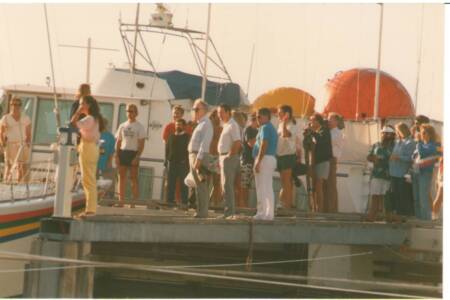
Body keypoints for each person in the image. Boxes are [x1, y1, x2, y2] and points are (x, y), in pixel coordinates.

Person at [70, 95, 102, 215]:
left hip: (88, 148)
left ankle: (90, 210)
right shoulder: (94, 118)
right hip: (91, 147)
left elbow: (73, 123)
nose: (80, 106)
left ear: (88, 105)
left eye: (82, 103)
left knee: (88, 180)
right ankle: (91, 208)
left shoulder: (89, 119)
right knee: (88, 179)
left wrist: (78, 112)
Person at [115, 104, 146, 207]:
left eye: (132, 111)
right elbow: (118, 142)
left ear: (136, 113)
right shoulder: (122, 125)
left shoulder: (139, 127)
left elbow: (141, 144)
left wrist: (137, 157)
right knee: (121, 178)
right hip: (123, 152)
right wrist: (117, 155)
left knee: (133, 179)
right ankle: (121, 202)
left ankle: (133, 203)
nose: (129, 113)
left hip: (133, 153)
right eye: (128, 111)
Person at [188, 99, 213, 218]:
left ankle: (203, 212)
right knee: (198, 184)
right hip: (194, 155)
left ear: (204, 110)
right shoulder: (200, 124)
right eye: (194, 109)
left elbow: (205, 143)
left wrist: (198, 159)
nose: (194, 111)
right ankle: (200, 210)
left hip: (199, 156)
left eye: (197, 109)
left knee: (202, 185)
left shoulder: (206, 124)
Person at [252, 108, 278, 220]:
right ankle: (268, 213)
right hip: (269, 158)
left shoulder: (265, 127)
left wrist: (258, 160)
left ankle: (262, 212)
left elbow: (264, 144)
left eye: (259, 117)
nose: (257, 119)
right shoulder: (270, 127)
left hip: (264, 158)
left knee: (262, 186)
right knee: (267, 186)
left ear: (266, 117)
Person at [366, 126, 395, 222]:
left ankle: (386, 218)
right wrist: (373, 158)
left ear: (392, 135)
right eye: (383, 133)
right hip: (376, 174)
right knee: (375, 196)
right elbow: (368, 156)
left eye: (387, 133)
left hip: (388, 175)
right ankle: (372, 217)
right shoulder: (376, 145)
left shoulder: (395, 146)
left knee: (386, 198)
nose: (385, 135)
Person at [217, 104, 242, 219]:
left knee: (228, 185)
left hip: (229, 158)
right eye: (218, 113)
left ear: (228, 112)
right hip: (223, 157)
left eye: (221, 112)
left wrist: (228, 156)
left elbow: (237, 142)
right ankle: (227, 211)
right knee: (224, 185)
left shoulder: (233, 125)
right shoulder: (226, 125)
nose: (219, 115)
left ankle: (229, 212)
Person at [388, 122, 416, 221]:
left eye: (398, 130)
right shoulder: (398, 142)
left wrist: (397, 157)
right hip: (394, 173)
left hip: (402, 174)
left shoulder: (410, 142)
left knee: (403, 196)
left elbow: (410, 158)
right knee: (396, 195)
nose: (397, 132)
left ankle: (405, 216)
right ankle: (398, 215)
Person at [306, 113, 333, 213]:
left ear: (318, 121)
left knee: (319, 185)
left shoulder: (324, 130)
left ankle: (319, 209)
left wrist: (312, 132)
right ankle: (315, 208)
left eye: (312, 120)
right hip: (315, 162)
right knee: (316, 186)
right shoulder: (316, 132)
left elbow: (321, 140)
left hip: (323, 161)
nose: (310, 123)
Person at [0, 97, 31, 183]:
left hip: (22, 144)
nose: (15, 106)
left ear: (20, 106)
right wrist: (3, 144)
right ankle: (6, 182)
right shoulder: (5, 118)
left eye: (17, 104)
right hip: (10, 144)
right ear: (10, 106)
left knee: (21, 166)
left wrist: (27, 144)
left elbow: (28, 133)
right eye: (13, 104)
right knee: (8, 166)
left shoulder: (26, 118)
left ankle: (20, 184)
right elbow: (1, 132)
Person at [411, 124, 438, 221]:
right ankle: (419, 218)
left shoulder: (433, 145)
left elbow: (422, 154)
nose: (421, 135)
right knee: (416, 197)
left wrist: (418, 142)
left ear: (430, 134)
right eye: (421, 133)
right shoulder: (421, 144)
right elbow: (414, 157)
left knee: (423, 197)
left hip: (425, 173)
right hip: (416, 172)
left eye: (423, 133)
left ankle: (425, 219)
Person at [276, 105, 298, 209]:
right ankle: (284, 204)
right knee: (283, 182)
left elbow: (286, 134)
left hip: (288, 156)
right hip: (280, 156)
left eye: (280, 112)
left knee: (287, 182)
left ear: (286, 114)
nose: (278, 114)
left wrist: (284, 122)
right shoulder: (280, 124)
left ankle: (287, 206)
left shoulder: (292, 125)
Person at [166, 118, 190, 209]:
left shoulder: (187, 137)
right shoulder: (171, 136)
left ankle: (184, 203)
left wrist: (188, 163)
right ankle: (169, 203)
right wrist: (166, 161)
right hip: (172, 163)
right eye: (176, 124)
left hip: (182, 164)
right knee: (170, 184)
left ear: (183, 126)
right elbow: (167, 150)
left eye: (180, 124)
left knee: (184, 184)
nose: (178, 126)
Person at [324, 112, 344, 213]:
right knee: (325, 184)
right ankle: (325, 208)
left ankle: (332, 209)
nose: (328, 121)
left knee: (331, 184)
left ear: (336, 121)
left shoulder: (338, 133)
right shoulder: (328, 131)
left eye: (330, 119)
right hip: (325, 158)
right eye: (328, 118)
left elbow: (328, 141)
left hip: (332, 159)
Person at [240, 113, 258, 208]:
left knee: (249, 186)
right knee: (244, 186)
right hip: (247, 161)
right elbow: (251, 143)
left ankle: (246, 207)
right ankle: (243, 207)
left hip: (253, 162)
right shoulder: (248, 129)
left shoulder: (257, 130)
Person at [97, 118, 116, 198]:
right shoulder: (95, 135)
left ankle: (109, 198)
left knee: (109, 181)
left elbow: (112, 151)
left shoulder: (111, 137)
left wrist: (109, 163)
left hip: (106, 162)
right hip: (94, 162)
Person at [209, 108, 222, 206]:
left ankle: (216, 203)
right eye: (217, 115)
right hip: (208, 156)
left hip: (217, 157)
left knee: (216, 182)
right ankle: (206, 202)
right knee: (206, 181)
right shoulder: (208, 128)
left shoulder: (222, 129)